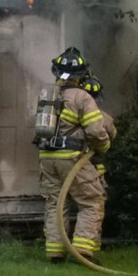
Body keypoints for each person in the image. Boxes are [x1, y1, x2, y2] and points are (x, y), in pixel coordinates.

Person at [37, 47, 112, 264]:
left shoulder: (46, 95)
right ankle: (82, 252)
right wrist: (104, 147)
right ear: (81, 75)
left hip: (47, 157)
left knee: (55, 203)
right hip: (71, 158)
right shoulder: (83, 97)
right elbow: (95, 131)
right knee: (91, 201)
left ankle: (55, 251)